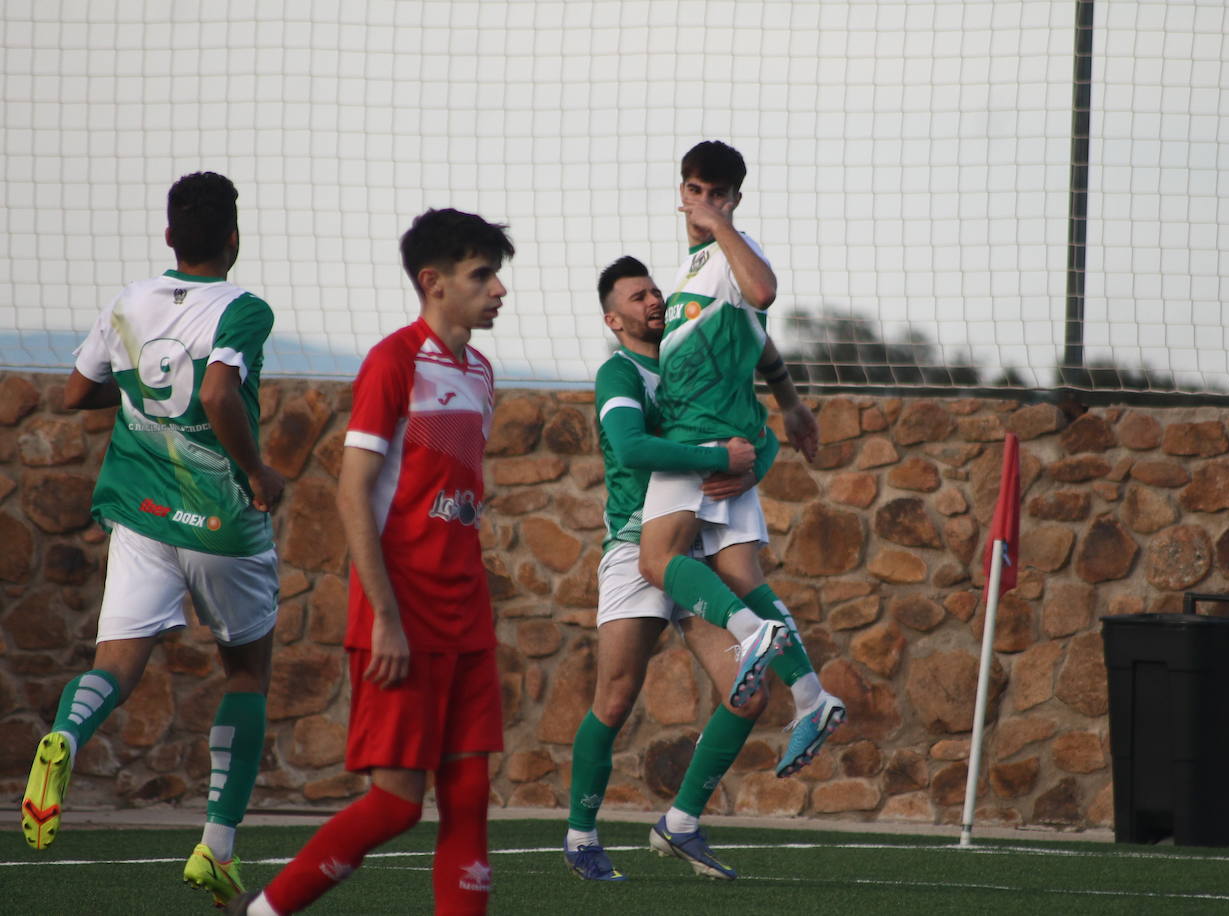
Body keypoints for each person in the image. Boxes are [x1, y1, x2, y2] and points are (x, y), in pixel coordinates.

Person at [228, 209, 514, 916]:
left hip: (466, 613)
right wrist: (384, 617)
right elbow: (352, 491)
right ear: (433, 283)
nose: (499, 288)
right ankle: (264, 912)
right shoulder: (393, 362)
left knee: (471, 800)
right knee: (394, 805)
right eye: (482, 274)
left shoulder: (479, 370)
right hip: (403, 615)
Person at [20, 171, 286, 907]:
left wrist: (137, 390)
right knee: (245, 674)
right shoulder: (244, 310)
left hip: (140, 513)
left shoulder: (129, 302)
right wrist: (258, 469)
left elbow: (77, 394)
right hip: (220, 521)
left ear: (170, 236)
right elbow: (215, 393)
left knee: (117, 664)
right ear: (233, 239)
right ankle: (217, 848)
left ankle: (69, 735)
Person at [564, 256, 817, 882]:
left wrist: (750, 464)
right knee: (617, 696)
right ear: (612, 318)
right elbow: (628, 446)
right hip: (636, 546)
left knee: (749, 693)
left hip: (697, 550)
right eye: (637, 296)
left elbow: (753, 436)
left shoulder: (689, 359)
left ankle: (679, 825)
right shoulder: (619, 372)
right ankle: (580, 834)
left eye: (655, 289)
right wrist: (711, 453)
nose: (653, 300)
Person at [638, 141, 847, 785]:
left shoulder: (731, 249)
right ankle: (813, 698)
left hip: (702, 437)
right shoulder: (698, 265)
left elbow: (765, 291)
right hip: (729, 428)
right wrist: (792, 403)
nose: (702, 203)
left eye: (717, 194)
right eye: (694, 191)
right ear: (681, 189)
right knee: (736, 570)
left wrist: (723, 225)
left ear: (733, 198)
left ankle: (751, 635)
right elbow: (755, 337)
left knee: (656, 560)